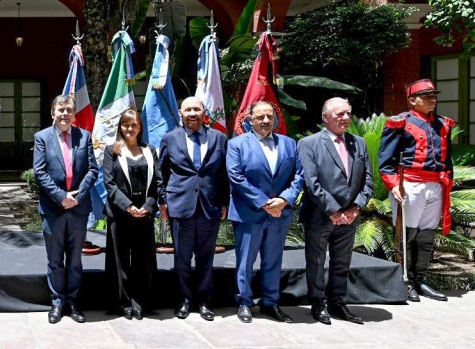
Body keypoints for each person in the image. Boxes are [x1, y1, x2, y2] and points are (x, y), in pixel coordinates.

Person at [227, 101, 304, 324]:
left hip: (279, 214)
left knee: (273, 260)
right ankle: (244, 302)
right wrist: (264, 203)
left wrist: (284, 200)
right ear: (250, 120)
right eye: (260, 117)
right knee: (246, 261)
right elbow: (236, 177)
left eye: (269, 116)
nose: (266, 121)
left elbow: (299, 176)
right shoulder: (237, 144)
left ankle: (271, 302)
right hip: (250, 213)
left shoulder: (290, 144)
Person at [299, 97, 373, 324]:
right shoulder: (309, 143)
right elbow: (311, 183)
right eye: (339, 114)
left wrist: (356, 207)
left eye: (348, 113)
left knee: (342, 262)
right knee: (317, 261)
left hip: (350, 216)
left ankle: (338, 302)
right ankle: (318, 303)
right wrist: (333, 210)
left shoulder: (358, 143)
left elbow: (368, 180)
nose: (345, 118)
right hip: (320, 215)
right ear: (325, 117)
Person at [378, 79, 454, 302]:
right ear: (412, 100)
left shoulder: (443, 124)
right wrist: (393, 185)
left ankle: (421, 280)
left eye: (434, 95)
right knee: (407, 233)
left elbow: (447, 159)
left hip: (436, 185)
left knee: (427, 233)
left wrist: (447, 181)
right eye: (427, 96)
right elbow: (385, 161)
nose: (433, 99)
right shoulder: (399, 123)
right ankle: (405, 282)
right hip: (410, 184)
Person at [158, 97, 229, 321]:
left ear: (203, 111)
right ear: (180, 112)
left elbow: (224, 174)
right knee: (182, 257)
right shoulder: (170, 139)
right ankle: (184, 300)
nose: (192, 113)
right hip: (180, 207)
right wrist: (163, 201)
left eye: (196, 109)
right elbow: (161, 173)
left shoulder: (219, 138)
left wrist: (225, 201)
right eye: (188, 109)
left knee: (206, 258)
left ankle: (204, 301)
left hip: (210, 207)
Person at [33, 95, 99, 324]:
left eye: (69, 110)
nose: (64, 114)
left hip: (78, 209)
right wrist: (61, 197)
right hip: (54, 210)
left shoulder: (85, 137)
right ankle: (57, 302)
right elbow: (39, 172)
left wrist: (77, 197)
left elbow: (93, 170)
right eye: (60, 110)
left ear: (74, 114)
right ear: (53, 113)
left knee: (75, 260)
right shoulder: (42, 138)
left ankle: (72, 301)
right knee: (54, 260)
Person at [102, 107, 159, 320]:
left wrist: (149, 205)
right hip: (120, 213)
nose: (130, 128)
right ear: (120, 127)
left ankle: (141, 302)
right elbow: (109, 184)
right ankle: (123, 302)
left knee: (144, 260)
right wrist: (127, 206)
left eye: (134, 124)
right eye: (126, 124)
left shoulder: (149, 150)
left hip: (144, 212)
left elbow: (157, 182)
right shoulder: (112, 150)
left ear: (140, 127)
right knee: (120, 261)